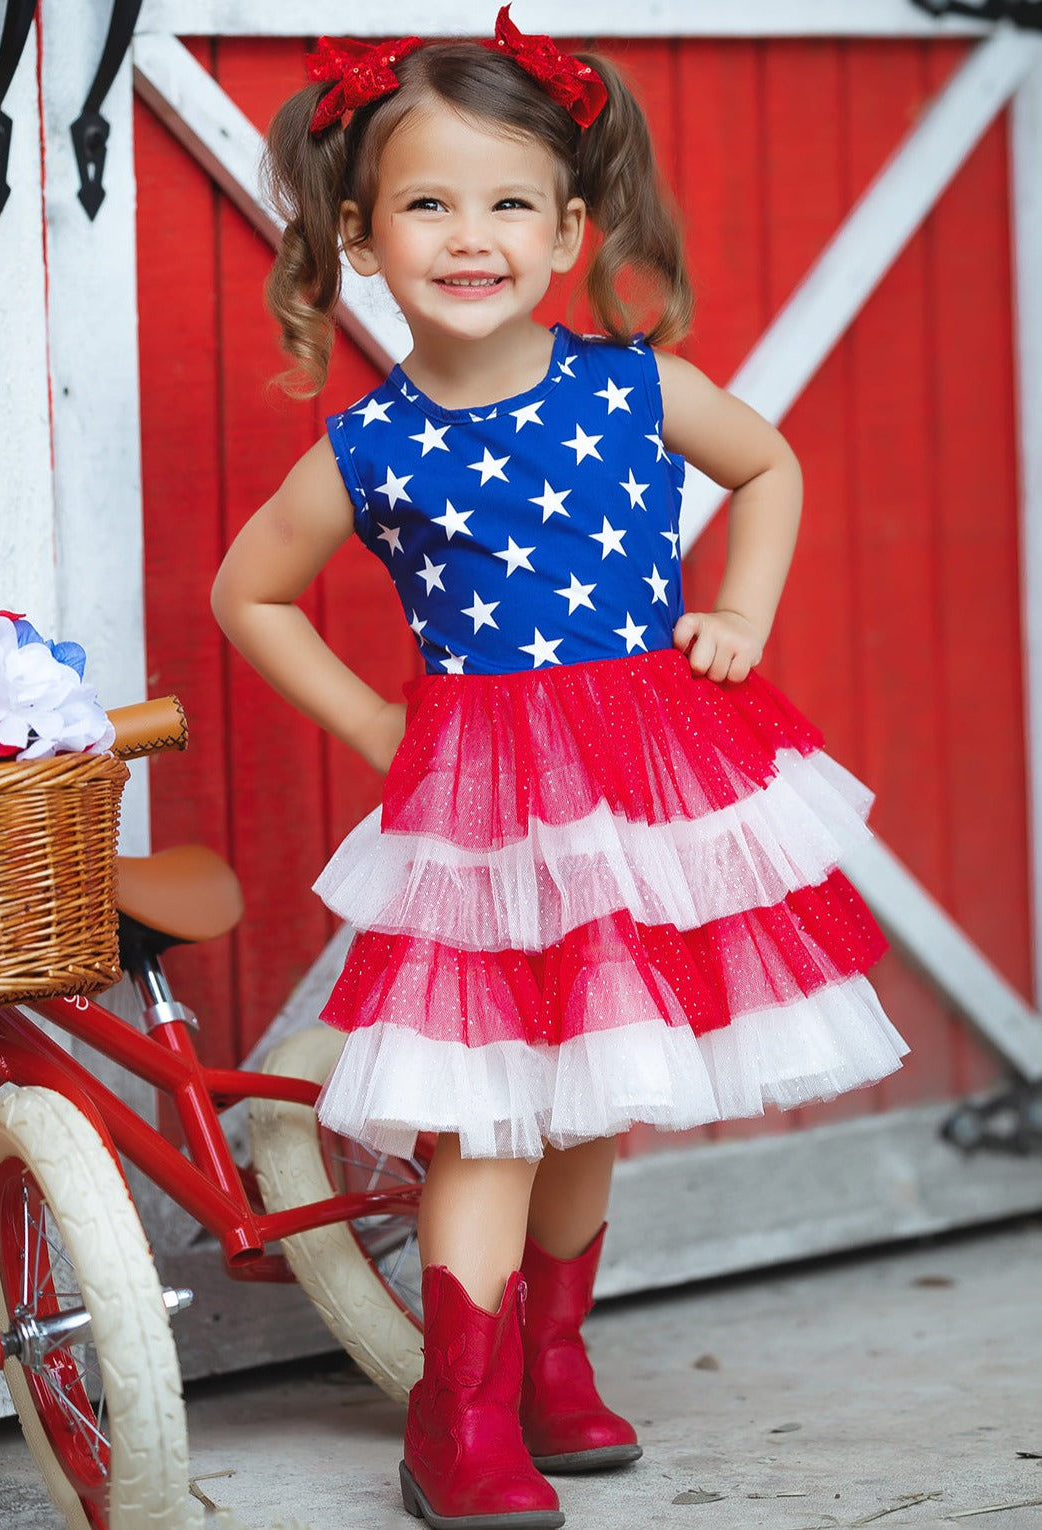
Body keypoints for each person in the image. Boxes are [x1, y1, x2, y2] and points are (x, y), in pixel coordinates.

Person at [211, 11, 909, 1528]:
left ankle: (552, 1357)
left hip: (642, 777)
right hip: (486, 800)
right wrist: (382, 729)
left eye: (510, 201)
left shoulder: (633, 388)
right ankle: (455, 1411)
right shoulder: (374, 447)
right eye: (429, 205)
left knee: (592, 1088)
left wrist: (739, 609)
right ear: (363, 235)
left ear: (572, 228)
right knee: (486, 1104)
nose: (473, 237)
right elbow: (244, 595)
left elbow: (769, 465)